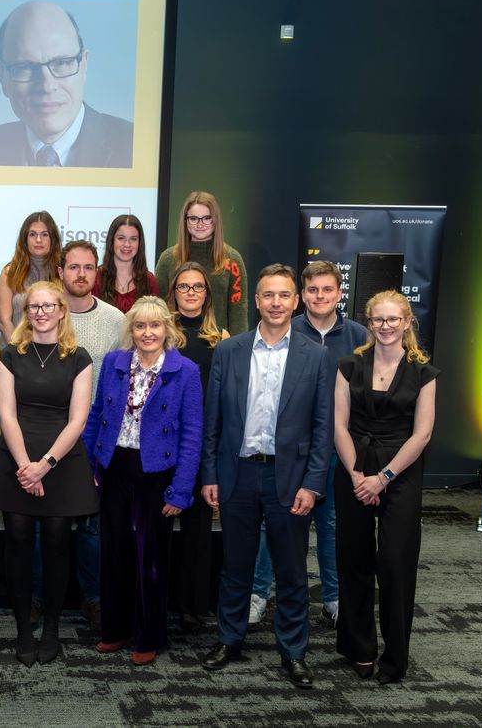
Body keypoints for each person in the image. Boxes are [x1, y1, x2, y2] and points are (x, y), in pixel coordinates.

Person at [199, 264, 333, 690]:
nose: (276, 303)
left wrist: (313, 484)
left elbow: (322, 427)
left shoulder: (316, 355)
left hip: (290, 479)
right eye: (268, 295)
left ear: (295, 302)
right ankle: (229, 639)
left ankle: (293, 652)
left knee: (291, 572)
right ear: (256, 301)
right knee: (235, 567)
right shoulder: (229, 351)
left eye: (284, 296)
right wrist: (210, 475)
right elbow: (212, 423)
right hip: (237, 473)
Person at [0, 281, 96, 666]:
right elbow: (7, 415)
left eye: (48, 306)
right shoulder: (12, 354)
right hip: (16, 457)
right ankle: (23, 632)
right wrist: (25, 466)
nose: (41, 312)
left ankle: (51, 631)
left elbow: (78, 419)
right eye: (33, 307)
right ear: (26, 313)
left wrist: (45, 465)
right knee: (17, 542)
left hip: (60, 460)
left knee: (59, 543)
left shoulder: (79, 358)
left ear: (62, 310)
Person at [83, 296, 202, 666]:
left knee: (150, 558)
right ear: (130, 329)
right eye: (140, 326)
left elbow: (192, 433)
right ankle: (115, 630)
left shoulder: (186, 371)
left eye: (155, 325)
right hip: (114, 466)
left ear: (167, 329)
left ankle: (149, 635)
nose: (147, 333)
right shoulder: (114, 362)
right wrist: (89, 466)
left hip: (157, 472)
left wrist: (182, 490)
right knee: (113, 551)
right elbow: (97, 414)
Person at [249, 260, 368, 628]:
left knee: (331, 524)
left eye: (327, 290)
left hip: (337, 448)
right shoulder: (286, 329)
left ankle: (332, 598)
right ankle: (258, 594)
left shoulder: (359, 337)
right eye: (313, 290)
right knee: (274, 524)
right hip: (289, 451)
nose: (320, 296)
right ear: (303, 296)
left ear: (339, 293)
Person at [334, 291, 438, 685]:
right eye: (379, 319)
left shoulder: (424, 371)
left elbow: (423, 434)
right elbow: (339, 425)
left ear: (407, 322)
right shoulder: (349, 365)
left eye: (394, 319)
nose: (386, 326)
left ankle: (395, 657)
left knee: (395, 565)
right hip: (354, 473)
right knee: (354, 560)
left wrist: (384, 477)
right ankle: (359, 649)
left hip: (401, 473)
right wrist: (358, 475)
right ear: (369, 322)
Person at [0, 0, 133, 167]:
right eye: (25, 67)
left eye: (62, 63)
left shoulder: (134, 146)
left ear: (84, 65)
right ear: (2, 77)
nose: (47, 86)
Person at [56, 239, 125, 627]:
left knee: (93, 524)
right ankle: (36, 597)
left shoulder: (116, 320)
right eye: (73, 267)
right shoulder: (46, 315)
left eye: (88, 267)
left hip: (97, 435)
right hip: (49, 431)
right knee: (43, 523)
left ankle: (94, 599)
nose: (80, 274)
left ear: (97, 272)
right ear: (61, 271)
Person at [166, 261, 229, 633]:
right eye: (184, 287)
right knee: (157, 527)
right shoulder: (160, 335)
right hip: (161, 444)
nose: (191, 293)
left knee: (197, 532)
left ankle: (193, 606)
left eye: (198, 287)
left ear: (207, 295)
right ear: (173, 292)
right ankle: (159, 599)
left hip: (200, 444)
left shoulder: (220, 342)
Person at [154, 191, 249, 335]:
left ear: (215, 220)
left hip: (217, 345)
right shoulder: (168, 259)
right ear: (185, 221)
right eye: (193, 218)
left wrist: (237, 350)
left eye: (207, 218)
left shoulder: (233, 260)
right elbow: (158, 309)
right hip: (175, 344)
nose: (200, 224)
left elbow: (238, 314)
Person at [0, 211, 60, 342]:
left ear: (53, 240)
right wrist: (18, 354)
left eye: (45, 234)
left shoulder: (62, 272)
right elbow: (4, 322)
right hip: (15, 352)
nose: (38, 240)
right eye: (32, 234)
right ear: (25, 240)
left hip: (55, 353)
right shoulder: (10, 273)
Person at [96, 214, 158, 313]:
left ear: (139, 243)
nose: (127, 244)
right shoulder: (96, 279)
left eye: (133, 239)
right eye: (121, 238)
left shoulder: (149, 281)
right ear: (112, 241)